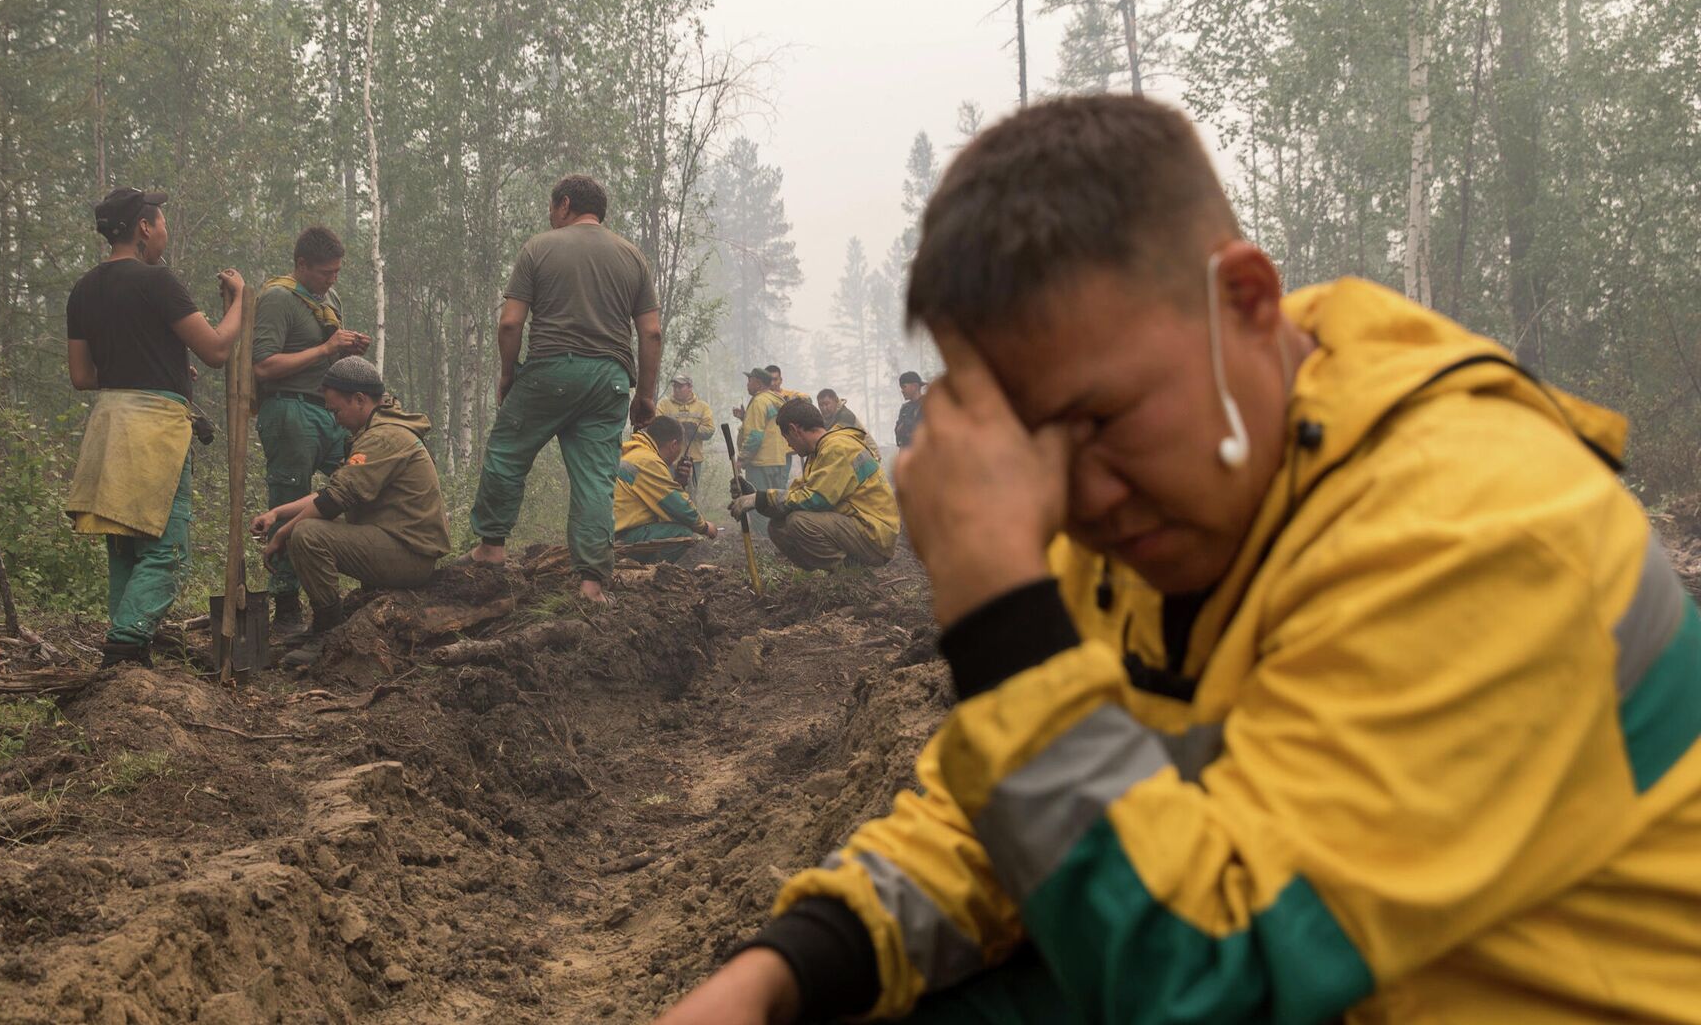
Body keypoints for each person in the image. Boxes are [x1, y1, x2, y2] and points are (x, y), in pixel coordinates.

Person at [657, 94, 1701, 1024]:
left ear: (1245, 302)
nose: (1083, 498)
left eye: (1101, 416)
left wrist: (998, 612)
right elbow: (997, 823)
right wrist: (792, 965)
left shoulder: (1478, 530)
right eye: (1038, 448)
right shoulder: (1161, 509)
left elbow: (1213, 983)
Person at [64, 187, 246, 668]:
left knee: (125, 543)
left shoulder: (84, 288)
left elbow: (83, 376)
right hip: (153, 429)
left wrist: (155, 367)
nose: (166, 228)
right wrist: (239, 302)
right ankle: (125, 645)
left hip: (109, 423)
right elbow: (215, 350)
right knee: (167, 550)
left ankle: (129, 653)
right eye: (161, 220)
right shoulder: (156, 281)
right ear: (144, 227)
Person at [468, 175, 663, 604]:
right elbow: (650, 334)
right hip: (609, 379)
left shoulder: (539, 248)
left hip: (550, 371)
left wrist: (507, 374)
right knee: (595, 479)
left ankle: (491, 549)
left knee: (507, 453)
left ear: (565, 204)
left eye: (551, 207)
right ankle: (592, 585)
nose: (549, 216)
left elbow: (510, 322)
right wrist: (645, 395)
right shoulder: (633, 257)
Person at [253, 358, 449, 666]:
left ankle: (329, 632)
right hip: (396, 539)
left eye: (336, 410)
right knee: (307, 526)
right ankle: (324, 626)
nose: (335, 420)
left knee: (307, 534)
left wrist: (283, 535)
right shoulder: (376, 431)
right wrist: (277, 514)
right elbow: (334, 489)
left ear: (359, 400)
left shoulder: (384, 437)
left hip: (410, 554)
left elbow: (334, 500)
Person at [251, 226, 372, 633]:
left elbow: (331, 351)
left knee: (361, 481)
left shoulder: (330, 299)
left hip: (331, 411)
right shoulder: (276, 299)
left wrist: (348, 350)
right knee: (287, 492)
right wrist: (325, 349)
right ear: (302, 265)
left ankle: (370, 574)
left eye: (337, 272)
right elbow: (264, 366)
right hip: (289, 409)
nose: (332, 279)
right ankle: (286, 605)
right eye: (325, 272)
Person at [728, 398, 896, 572]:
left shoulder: (837, 448)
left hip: (874, 535)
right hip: (857, 526)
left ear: (794, 430)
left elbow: (815, 500)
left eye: (786, 437)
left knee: (799, 521)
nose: (788, 444)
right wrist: (756, 496)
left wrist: (760, 499)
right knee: (778, 527)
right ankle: (840, 571)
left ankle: (852, 577)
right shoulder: (820, 452)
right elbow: (794, 496)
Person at [614, 415, 719, 563]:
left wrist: (677, 482)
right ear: (673, 445)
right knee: (682, 535)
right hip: (618, 539)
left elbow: (656, 497)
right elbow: (678, 507)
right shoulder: (649, 461)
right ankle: (647, 573)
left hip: (608, 532)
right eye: (679, 450)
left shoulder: (634, 453)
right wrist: (705, 527)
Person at [735, 368, 790, 533]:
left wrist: (742, 459)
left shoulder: (759, 402)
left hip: (760, 464)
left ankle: (763, 544)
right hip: (779, 461)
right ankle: (780, 541)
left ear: (758, 382)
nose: (747, 384)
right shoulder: (776, 400)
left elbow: (755, 436)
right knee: (777, 504)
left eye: (749, 380)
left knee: (758, 504)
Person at [659, 374, 716, 492]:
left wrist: (695, 430)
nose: (677, 389)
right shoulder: (664, 405)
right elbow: (657, 427)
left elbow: (710, 430)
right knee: (668, 494)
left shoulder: (703, 407)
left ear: (690, 387)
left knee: (691, 495)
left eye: (680, 386)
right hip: (668, 460)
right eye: (675, 386)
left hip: (693, 462)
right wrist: (676, 429)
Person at [893, 370, 924, 449]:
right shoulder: (905, 408)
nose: (902, 391)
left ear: (915, 386)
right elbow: (897, 430)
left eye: (904, 387)